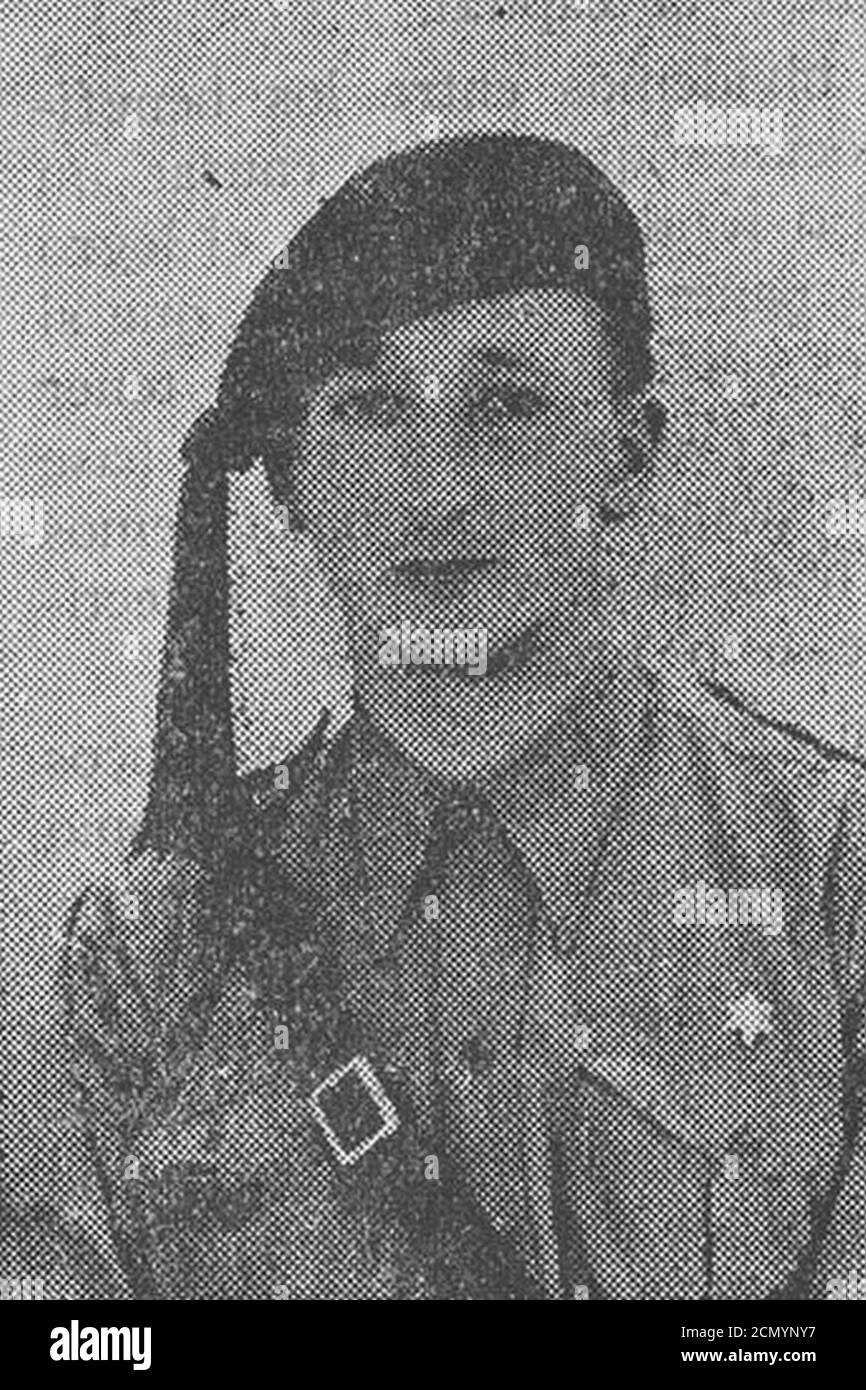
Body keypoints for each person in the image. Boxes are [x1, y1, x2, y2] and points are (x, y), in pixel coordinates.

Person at [8, 132, 866, 1300]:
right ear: (290, 481)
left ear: (628, 453)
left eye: (503, 404)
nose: (436, 489)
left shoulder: (831, 879)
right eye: (370, 408)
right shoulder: (152, 951)